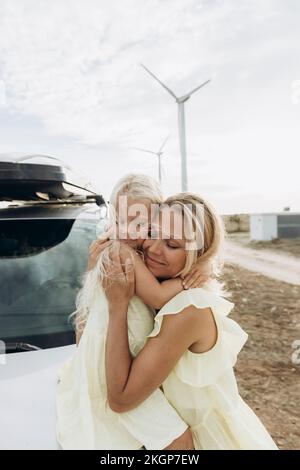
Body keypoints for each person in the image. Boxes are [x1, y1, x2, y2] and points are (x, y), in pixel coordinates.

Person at [103, 192, 278, 450]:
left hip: (205, 441)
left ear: (199, 255)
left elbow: (121, 399)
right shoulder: (161, 284)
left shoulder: (189, 309)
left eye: (171, 245)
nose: (152, 248)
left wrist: (117, 306)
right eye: (152, 233)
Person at [56, 174, 207, 450]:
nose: (131, 231)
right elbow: (158, 296)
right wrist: (187, 282)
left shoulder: (142, 255)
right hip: (114, 369)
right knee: (178, 442)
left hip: (128, 367)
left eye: (142, 224)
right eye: (123, 221)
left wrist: (200, 265)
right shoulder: (122, 254)